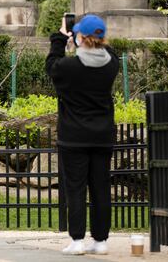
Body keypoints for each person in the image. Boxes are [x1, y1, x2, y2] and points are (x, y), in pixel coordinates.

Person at [45, 14, 119, 255]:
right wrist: (88, 40)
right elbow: (107, 51)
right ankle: (101, 241)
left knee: (75, 188)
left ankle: (77, 240)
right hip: (102, 136)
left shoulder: (69, 67)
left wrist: (59, 39)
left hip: (74, 137)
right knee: (100, 187)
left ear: (80, 37)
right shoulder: (112, 64)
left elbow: (51, 65)